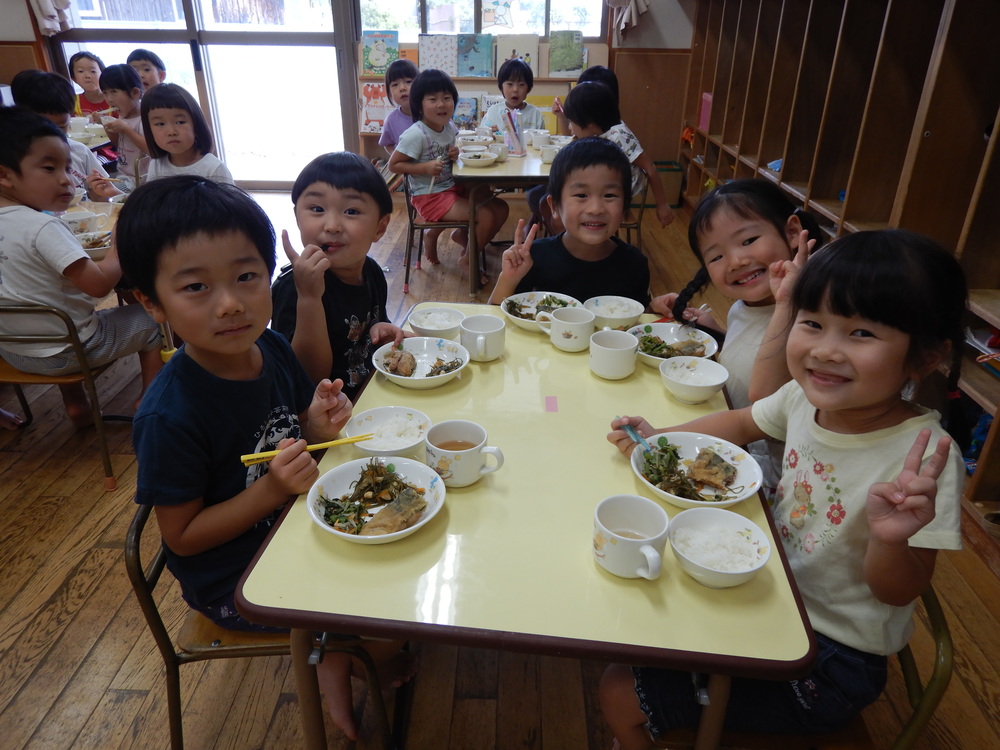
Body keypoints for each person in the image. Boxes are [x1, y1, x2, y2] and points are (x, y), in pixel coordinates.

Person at [603, 229, 967, 749]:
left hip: (830, 661)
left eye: (860, 334)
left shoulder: (925, 457)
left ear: (925, 357)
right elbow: (743, 423)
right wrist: (662, 437)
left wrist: (890, 538)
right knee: (640, 618)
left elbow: (897, 591)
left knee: (619, 688)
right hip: (771, 593)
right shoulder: (804, 398)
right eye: (813, 323)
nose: (825, 351)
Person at [117, 175, 415, 742]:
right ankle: (335, 655)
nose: (231, 303)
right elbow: (182, 537)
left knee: (403, 554)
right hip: (235, 576)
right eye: (196, 288)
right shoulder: (170, 416)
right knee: (386, 615)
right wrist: (273, 491)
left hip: (290, 524)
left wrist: (315, 423)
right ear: (152, 302)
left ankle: (337, 649)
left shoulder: (269, 348)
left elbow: (287, 427)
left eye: (246, 277)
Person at [651, 179, 824, 496]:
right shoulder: (745, 307)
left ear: (790, 232)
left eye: (748, 240)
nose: (736, 261)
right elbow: (752, 351)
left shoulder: (814, 319)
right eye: (716, 257)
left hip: (780, 480)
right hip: (739, 447)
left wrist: (788, 302)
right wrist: (712, 328)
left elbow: (763, 393)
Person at [0, 107, 162, 426]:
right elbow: (100, 286)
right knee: (152, 318)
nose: (66, 179)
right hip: (71, 352)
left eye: (67, 167)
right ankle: (151, 399)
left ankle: (78, 405)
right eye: (49, 168)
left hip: (13, 352)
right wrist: (117, 243)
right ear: (4, 175)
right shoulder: (42, 228)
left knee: (55, 315)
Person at [271, 152, 406, 399]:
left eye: (351, 211)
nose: (332, 225)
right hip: (323, 419)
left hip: (370, 394)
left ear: (380, 227)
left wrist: (381, 329)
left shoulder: (372, 271)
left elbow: (371, 331)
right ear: (297, 218)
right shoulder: (293, 287)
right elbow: (306, 378)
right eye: (317, 209)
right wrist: (309, 298)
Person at [487, 137, 650, 306]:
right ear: (555, 206)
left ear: (625, 206)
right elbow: (497, 319)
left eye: (609, 195)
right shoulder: (533, 258)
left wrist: (655, 309)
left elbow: (638, 320)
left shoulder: (634, 263)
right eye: (581, 195)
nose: (595, 209)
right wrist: (507, 280)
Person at [388, 68, 509, 277]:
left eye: (446, 98)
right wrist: (423, 168)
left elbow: (450, 153)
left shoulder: (449, 126)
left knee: (501, 207)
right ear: (419, 104)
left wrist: (455, 153)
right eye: (433, 99)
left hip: (451, 187)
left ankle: (465, 240)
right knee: (487, 215)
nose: (441, 104)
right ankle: (468, 260)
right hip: (429, 195)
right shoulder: (415, 134)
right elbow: (394, 165)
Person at [9, 69, 121, 202]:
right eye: (44, 129)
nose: (54, 136)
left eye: (62, 126)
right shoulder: (14, 163)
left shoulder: (79, 152)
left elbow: (104, 198)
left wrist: (102, 196)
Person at [139, 83, 233, 183]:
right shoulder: (156, 165)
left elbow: (229, 199)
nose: (171, 132)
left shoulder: (214, 168)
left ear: (196, 126)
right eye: (160, 124)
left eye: (180, 122)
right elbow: (152, 197)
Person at [98, 64, 148, 189]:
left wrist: (126, 129)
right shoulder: (123, 115)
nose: (109, 99)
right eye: (105, 93)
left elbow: (150, 149)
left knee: (104, 192)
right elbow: (119, 145)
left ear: (135, 93)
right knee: (93, 185)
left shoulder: (145, 118)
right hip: (123, 175)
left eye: (114, 92)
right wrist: (106, 126)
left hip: (141, 180)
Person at [479, 57, 546, 135]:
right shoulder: (493, 112)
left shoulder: (535, 113)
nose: (515, 89)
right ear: (501, 87)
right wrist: (489, 133)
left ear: (528, 88)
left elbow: (542, 141)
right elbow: (482, 136)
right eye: (510, 84)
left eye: (521, 85)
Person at [378, 58, 420, 156]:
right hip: (406, 169)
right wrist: (397, 159)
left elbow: (451, 134)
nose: (402, 88)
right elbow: (387, 144)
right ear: (389, 92)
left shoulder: (432, 112)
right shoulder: (391, 120)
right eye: (395, 85)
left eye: (409, 81)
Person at [68, 51, 109, 116]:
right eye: (81, 71)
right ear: (73, 78)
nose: (87, 76)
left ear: (103, 74)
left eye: (93, 71)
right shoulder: (72, 102)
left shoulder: (114, 99)